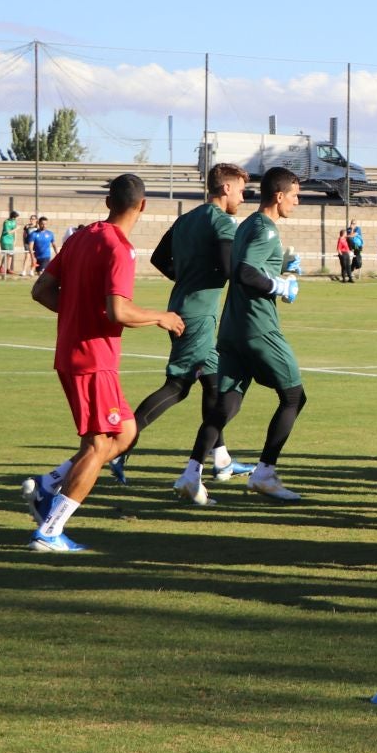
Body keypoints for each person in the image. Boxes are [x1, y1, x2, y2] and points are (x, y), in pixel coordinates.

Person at [21, 174, 184, 551]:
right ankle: (50, 531)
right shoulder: (119, 248)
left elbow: (41, 290)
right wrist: (162, 317)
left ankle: (48, 486)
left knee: (125, 433)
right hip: (93, 359)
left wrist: (76, 314)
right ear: (143, 206)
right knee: (98, 446)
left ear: (109, 202)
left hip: (73, 353)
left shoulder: (80, 237)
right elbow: (118, 310)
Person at [118, 162, 258, 501]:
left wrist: (187, 277)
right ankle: (118, 446)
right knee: (178, 387)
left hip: (184, 306)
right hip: (197, 316)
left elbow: (158, 258)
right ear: (226, 188)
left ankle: (221, 459)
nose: (243, 198)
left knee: (214, 384)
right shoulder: (221, 221)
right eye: (241, 191)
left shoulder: (187, 219)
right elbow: (228, 267)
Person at [194, 167, 309, 500]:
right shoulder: (266, 229)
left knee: (227, 403)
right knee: (294, 397)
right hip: (257, 328)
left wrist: (280, 271)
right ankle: (265, 474)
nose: (297, 201)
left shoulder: (246, 225)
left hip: (231, 328)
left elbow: (247, 267)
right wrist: (280, 286)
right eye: (295, 195)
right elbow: (244, 273)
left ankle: (191, 472)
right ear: (279, 195)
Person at [0, 210, 21, 279]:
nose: (18, 218)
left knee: (10, 254)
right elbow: (8, 232)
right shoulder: (6, 222)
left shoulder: (14, 222)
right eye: (17, 217)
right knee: (6, 253)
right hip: (5, 240)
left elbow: (15, 232)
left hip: (11, 241)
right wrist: (17, 229)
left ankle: (8, 269)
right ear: (14, 216)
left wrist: (15, 240)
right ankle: (1, 267)